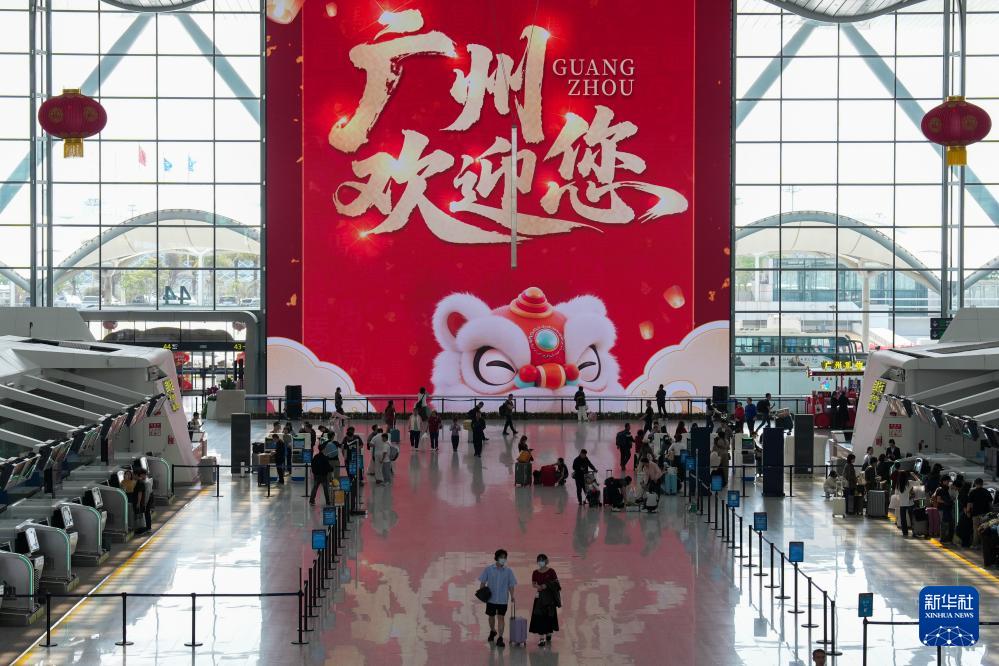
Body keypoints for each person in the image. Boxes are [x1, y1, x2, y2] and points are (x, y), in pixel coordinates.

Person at [478, 549, 517, 648]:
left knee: (501, 617)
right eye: (501, 557)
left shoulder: (508, 571)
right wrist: (481, 593)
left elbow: (511, 585)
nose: (503, 559)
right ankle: (493, 631)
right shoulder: (488, 569)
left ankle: (500, 638)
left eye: (505, 557)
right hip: (491, 599)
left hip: (503, 600)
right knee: (491, 617)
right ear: (496, 558)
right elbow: (483, 582)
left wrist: (512, 596)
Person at [529, 553, 560, 648]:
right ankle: (541, 638)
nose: (540, 562)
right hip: (539, 598)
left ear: (546, 561)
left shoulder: (551, 571)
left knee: (549, 616)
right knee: (540, 617)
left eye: (542, 560)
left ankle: (549, 633)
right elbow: (533, 583)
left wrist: (546, 585)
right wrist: (537, 586)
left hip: (549, 599)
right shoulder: (535, 572)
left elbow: (556, 583)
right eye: (539, 560)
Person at [968, 478, 993, 548]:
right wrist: (991, 512)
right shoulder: (987, 492)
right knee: (984, 529)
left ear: (975, 484)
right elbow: (990, 504)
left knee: (976, 530)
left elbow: (970, 504)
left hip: (975, 514)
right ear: (982, 484)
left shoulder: (972, 492)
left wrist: (968, 511)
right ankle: (984, 545)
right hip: (985, 514)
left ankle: (975, 544)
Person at [931, 475, 954, 543]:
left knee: (946, 523)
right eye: (947, 481)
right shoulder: (940, 489)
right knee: (944, 523)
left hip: (946, 508)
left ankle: (945, 538)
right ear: (943, 481)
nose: (948, 482)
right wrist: (946, 502)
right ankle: (943, 538)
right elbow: (938, 500)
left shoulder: (945, 488)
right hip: (942, 509)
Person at [132, 468, 154, 534]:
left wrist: (145, 504)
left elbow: (147, 494)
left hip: (148, 499)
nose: (140, 476)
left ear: (143, 475)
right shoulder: (145, 481)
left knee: (147, 513)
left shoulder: (146, 482)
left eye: (141, 475)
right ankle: (147, 527)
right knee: (146, 513)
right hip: (148, 499)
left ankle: (148, 528)